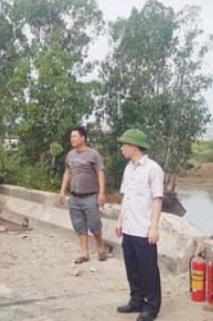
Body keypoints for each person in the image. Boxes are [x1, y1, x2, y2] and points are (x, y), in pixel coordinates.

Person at [115, 129, 163, 321]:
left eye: (124, 145)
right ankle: (136, 300)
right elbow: (126, 196)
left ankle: (152, 307)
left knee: (148, 270)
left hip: (144, 230)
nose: (122, 148)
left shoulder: (153, 169)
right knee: (132, 268)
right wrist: (120, 220)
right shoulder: (129, 168)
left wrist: (154, 227)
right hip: (129, 228)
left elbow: (158, 199)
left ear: (134, 147)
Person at [59, 126, 107, 264]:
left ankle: (100, 247)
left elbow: (100, 173)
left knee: (94, 224)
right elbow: (67, 173)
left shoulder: (93, 154)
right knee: (79, 225)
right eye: (71, 137)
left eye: (74, 136)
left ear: (83, 138)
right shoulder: (70, 155)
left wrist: (102, 193)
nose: (71, 139)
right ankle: (84, 253)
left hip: (90, 196)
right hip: (74, 197)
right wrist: (62, 191)